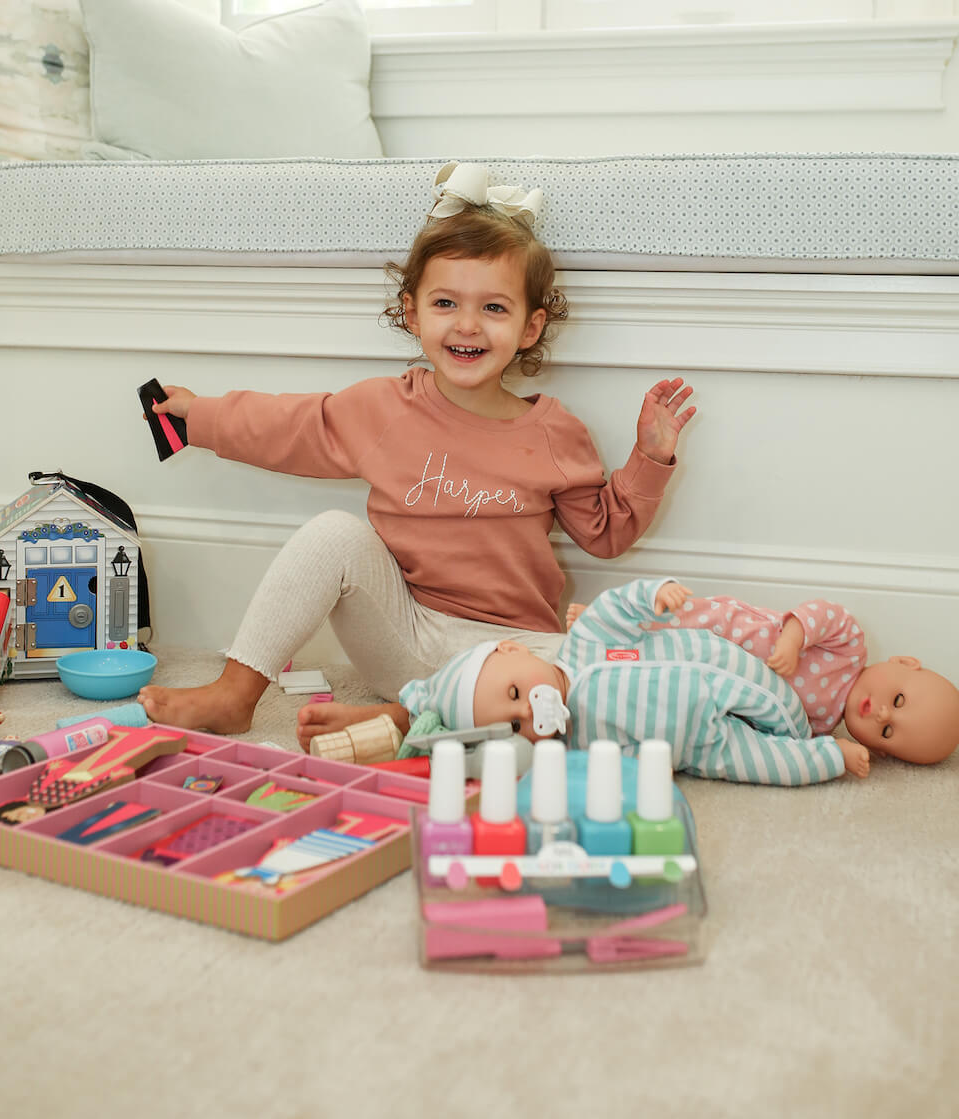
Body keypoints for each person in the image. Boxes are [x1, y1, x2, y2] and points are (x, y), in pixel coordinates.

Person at [137, 162, 697, 736]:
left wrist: (649, 457)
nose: (468, 326)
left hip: (510, 653)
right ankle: (235, 692)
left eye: (494, 308)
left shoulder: (556, 432)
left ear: (530, 328)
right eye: (446, 304)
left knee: (620, 672)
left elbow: (605, 532)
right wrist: (199, 415)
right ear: (413, 313)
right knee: (334, 532)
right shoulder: (385, 409)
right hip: (405, 634)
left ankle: (405, 722)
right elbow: (288, 426)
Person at [362, 577, 959, 785]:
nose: (878, 711)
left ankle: (404, 710)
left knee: (760, 751)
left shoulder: (824, 720)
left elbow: (616, 610)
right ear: (904, 662)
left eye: (885, 732)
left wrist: (826, 750)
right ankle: (410, 716)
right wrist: (795, 636)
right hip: (711, 705)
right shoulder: (850, 649)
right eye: (897, 701)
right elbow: (827, 616)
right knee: (758, 759)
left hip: (728, 673)